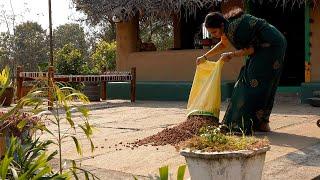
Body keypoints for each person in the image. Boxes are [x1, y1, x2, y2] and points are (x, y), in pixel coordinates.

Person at [197, 8, 287, 134]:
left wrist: (231, 54)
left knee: (250, 83)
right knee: (258, 81)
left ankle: (240, 124)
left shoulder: (236, 29)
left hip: (271, 46)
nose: (213, 35)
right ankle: (261, 123)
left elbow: (250, 50)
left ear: (221, 25)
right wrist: (205, 57)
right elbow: (223, 44)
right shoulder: (227, 26)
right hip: (271, 43)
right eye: (211, 33)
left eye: (214, 32)